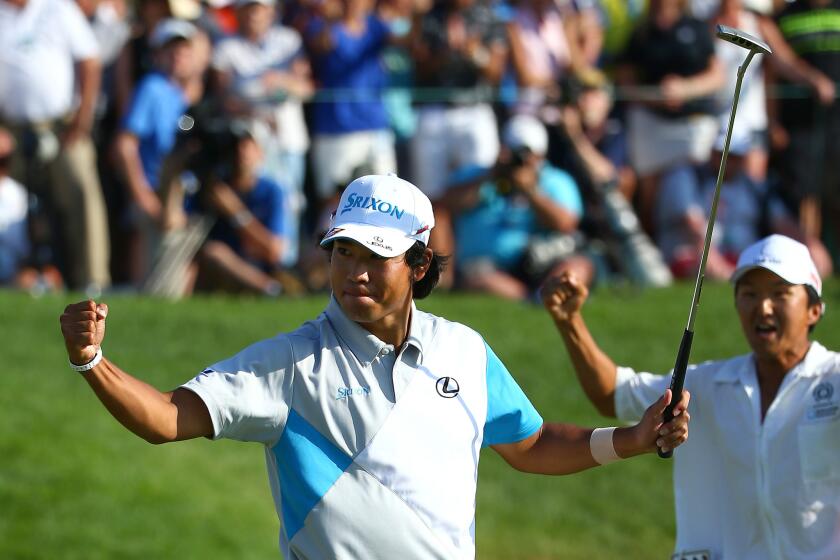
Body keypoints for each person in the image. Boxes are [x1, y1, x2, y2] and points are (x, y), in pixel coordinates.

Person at [60, 173, 690, 559]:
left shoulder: (464, 350)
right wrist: (93, 361)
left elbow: (530, 444)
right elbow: (167, 418)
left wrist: (632, 440)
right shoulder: (290, 364)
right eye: (343, 253)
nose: (354, 272)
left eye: (376, 256)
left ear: (418, 265)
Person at [542, 233, 839, 559]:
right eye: (750, 294)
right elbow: (613, 394)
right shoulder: (706, 385)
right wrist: (571, 322)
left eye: (780, 294)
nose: (762, 307)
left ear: (814, 310)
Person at [0, 0, 111, 292]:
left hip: (62, 127)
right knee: (11, 204)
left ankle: (93, 280)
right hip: (11, 128)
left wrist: (83, 119)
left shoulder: (58, 8)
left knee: (80, 188)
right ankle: (16, 276)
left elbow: (90, 61)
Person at [439, 114, 594, 300]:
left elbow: (566, 224)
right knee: (485, 280)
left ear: (541, 156)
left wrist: (531, 192)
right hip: (486, 267)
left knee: (577, 267)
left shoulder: (556, 180)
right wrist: (491, 175)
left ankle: (544, 295)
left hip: (538, 262)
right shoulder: (476, 175)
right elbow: (444, 207)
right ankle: (533, 299)